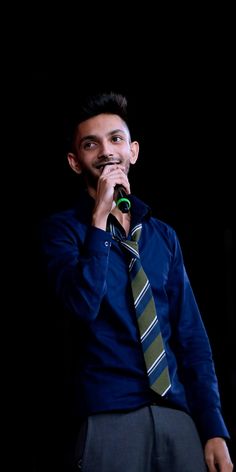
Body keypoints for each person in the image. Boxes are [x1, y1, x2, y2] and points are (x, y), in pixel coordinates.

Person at [40, 91, 234, 471]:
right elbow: (82, 305)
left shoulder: (163, 236)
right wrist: (99, 218)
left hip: (177, 416)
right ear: (75, 162)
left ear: (134, 151)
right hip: (109, 414)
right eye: (90, 144)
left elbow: (192, 338)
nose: (106, 152)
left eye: (115, 139)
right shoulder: (62, 231)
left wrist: (213, 429)